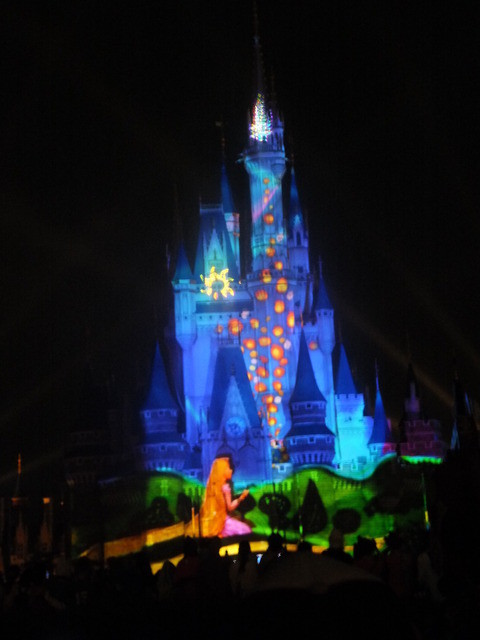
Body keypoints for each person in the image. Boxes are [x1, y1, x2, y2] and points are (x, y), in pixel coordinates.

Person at [199, 457, 251, 538]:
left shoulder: (218, 487)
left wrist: (241, 497)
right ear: (222, 471)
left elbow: (228, 507)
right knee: (245, 529)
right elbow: (229, 507)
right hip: (220, 523)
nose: (231, 470)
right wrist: (242, 497)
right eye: (228, 468)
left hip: (217, 522)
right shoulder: (222, 488)